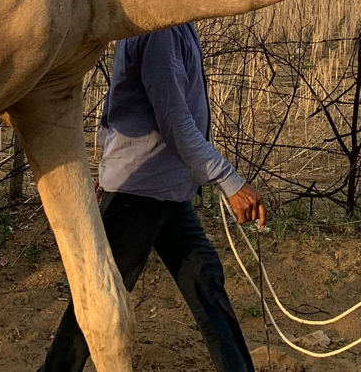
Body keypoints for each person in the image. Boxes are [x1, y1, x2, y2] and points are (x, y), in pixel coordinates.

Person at [39, 21, 266, 372]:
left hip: (166, 190)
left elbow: (114, 101)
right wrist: (230, 183)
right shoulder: (158, 34)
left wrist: (107, 157)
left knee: (205, 280)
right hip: (140, 192)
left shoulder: (177, 25)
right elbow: (175, 123)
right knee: (100, 298)